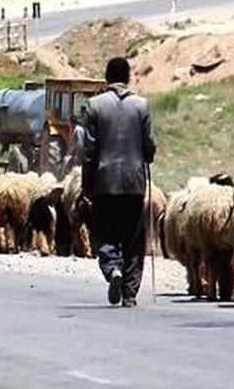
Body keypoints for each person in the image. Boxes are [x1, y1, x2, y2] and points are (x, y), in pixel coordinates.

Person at [81, 56, 156, 307]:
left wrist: (86, 184)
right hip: (134, 183)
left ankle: (113, 268)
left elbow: (89, 150)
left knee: (105, 232)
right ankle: (130, 292)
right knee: (134, 238)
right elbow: (149, 145)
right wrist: (147, 155)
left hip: (104, 183)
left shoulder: (95, 106)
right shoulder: (141, 106)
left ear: (106, 77)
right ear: (128, 77)